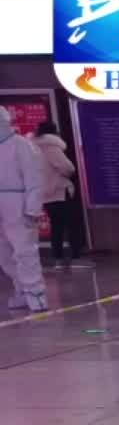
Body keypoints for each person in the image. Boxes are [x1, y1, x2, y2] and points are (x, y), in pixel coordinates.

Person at [0, 108, 47, 313]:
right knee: (4, 254)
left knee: (25, 251)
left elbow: (34, 179)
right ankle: (21, 290)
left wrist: (32, 208)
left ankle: (36, 293)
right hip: (6, 204)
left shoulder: (22, 145)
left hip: (18, 204)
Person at [32, 122, 83, 268]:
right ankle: (76, 258)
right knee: (72, 224)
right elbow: (67, 167)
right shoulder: (51, 146)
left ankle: (58, 259)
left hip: (45, 193)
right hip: (59, 190)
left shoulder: (33, 148)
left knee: (56, 226)